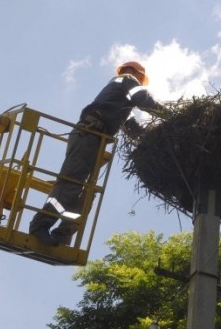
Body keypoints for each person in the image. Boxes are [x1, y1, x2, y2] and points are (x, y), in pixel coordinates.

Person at [29, 61, 162, 246]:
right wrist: (168, 115)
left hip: (94, 138)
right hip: (88, 134)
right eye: (141, 78)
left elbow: (130, 126)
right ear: (135, 73)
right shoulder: (126, 80)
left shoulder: (117, 100)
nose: (140, 81)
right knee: (71, 184)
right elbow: (144, 100)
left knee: (86, 193)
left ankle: (63, 234)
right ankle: (39, 227)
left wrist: (151, 138)